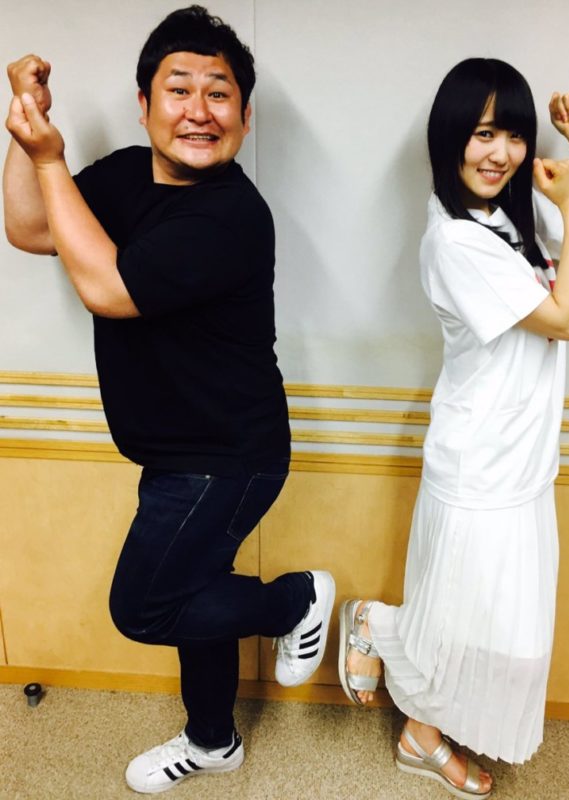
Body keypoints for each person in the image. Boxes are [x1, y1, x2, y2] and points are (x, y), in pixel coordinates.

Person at [3, 6, 335, 794]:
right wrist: (27, 128)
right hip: (178, 450)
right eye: (178, 89)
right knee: (194, 592)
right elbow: (31, 228)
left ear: (244, 118)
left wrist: (52, 158)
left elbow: (108, 290)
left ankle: (295, 601)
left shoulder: (229, 215)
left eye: (218, 94)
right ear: (144, 104)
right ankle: (213, 740)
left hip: (226, 457)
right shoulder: (124, 174)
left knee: (146, 609)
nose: (198, 110)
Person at [338, 58, 569, 798]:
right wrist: (568, 207)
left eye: (515, 136)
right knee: (466, 622)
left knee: (498, 629)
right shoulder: (455, 242)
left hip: (522, 458)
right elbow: (568, 318)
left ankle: (401, 682)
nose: (501, 153)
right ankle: (398, 680)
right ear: (450, 138)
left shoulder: (510, 219)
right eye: (483, 133)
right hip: (477, 462)